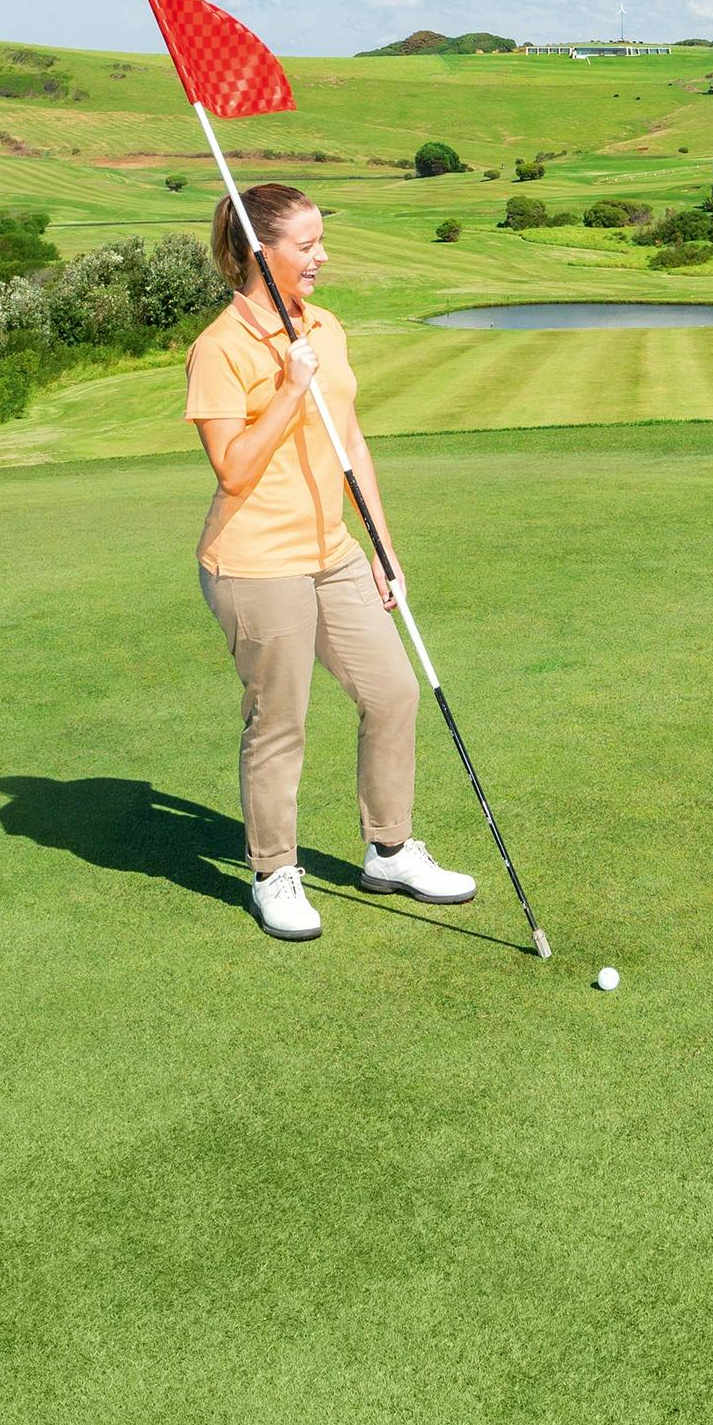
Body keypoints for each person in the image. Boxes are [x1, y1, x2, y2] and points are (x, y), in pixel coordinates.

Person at [183, 184, 477, 941]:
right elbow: (234, 471)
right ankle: (274, 871)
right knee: (280, 722)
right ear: (262, 252)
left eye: (321, 241)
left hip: (333, 551)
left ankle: (389, 850)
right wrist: (288, 388)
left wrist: (381, 544)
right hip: (255, 562)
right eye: (307, 244)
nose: (322, 256)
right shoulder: (220, 347)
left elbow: (352, 445)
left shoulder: (325, 327)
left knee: (393, 693)